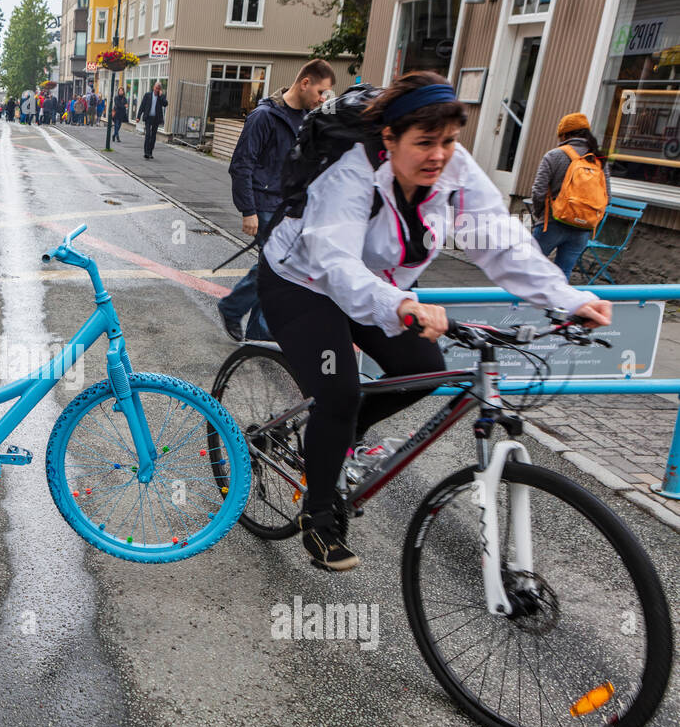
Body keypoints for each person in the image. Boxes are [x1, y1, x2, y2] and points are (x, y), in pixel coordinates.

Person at [255, 71, 610, 571]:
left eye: (448, 141)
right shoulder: (352, 173)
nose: (439, 155)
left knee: (423, 370)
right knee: (339, 392)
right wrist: (402, 305)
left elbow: (498, 240)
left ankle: (332, 443)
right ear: (389, 138)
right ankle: (319, 516)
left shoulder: (453, 169)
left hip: (380, 286)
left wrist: (567, 298)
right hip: (303, 280)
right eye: (424, 143)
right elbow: (335, 262)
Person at [219, 59, 336, 341]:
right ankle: (259, 333)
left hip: (289, 207)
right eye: (321, 92)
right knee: (274, 269)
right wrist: (248, 210)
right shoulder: (264, 117)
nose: (323, 99)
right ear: (305, 82)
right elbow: (242, 165)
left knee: (275, 267)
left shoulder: (308, 120)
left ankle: (237, 312)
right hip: (263, 204)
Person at [531, 112, 612, 279]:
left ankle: (519, 305)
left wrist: (540, 215)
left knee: (528, 270)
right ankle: (557, 306)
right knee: (563, 275)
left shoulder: (554, 155)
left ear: (565, 135)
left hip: (552, 224)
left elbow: (538, 191)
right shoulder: (599, 159)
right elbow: (607, 197)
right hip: (582, 230)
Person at [138, 82, 168, 159]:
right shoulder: (147, 95)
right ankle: (146, 152)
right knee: (148, 135)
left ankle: (150, 152)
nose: (156, 90)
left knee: (153, 136)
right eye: (156, 88)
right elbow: (142, 106)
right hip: (148, 117)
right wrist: (138, 116)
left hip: (156, 118)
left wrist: (161, 96)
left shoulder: (161, 96)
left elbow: (165, 104)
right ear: (153, 87)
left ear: (160, 89)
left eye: (158, 89)